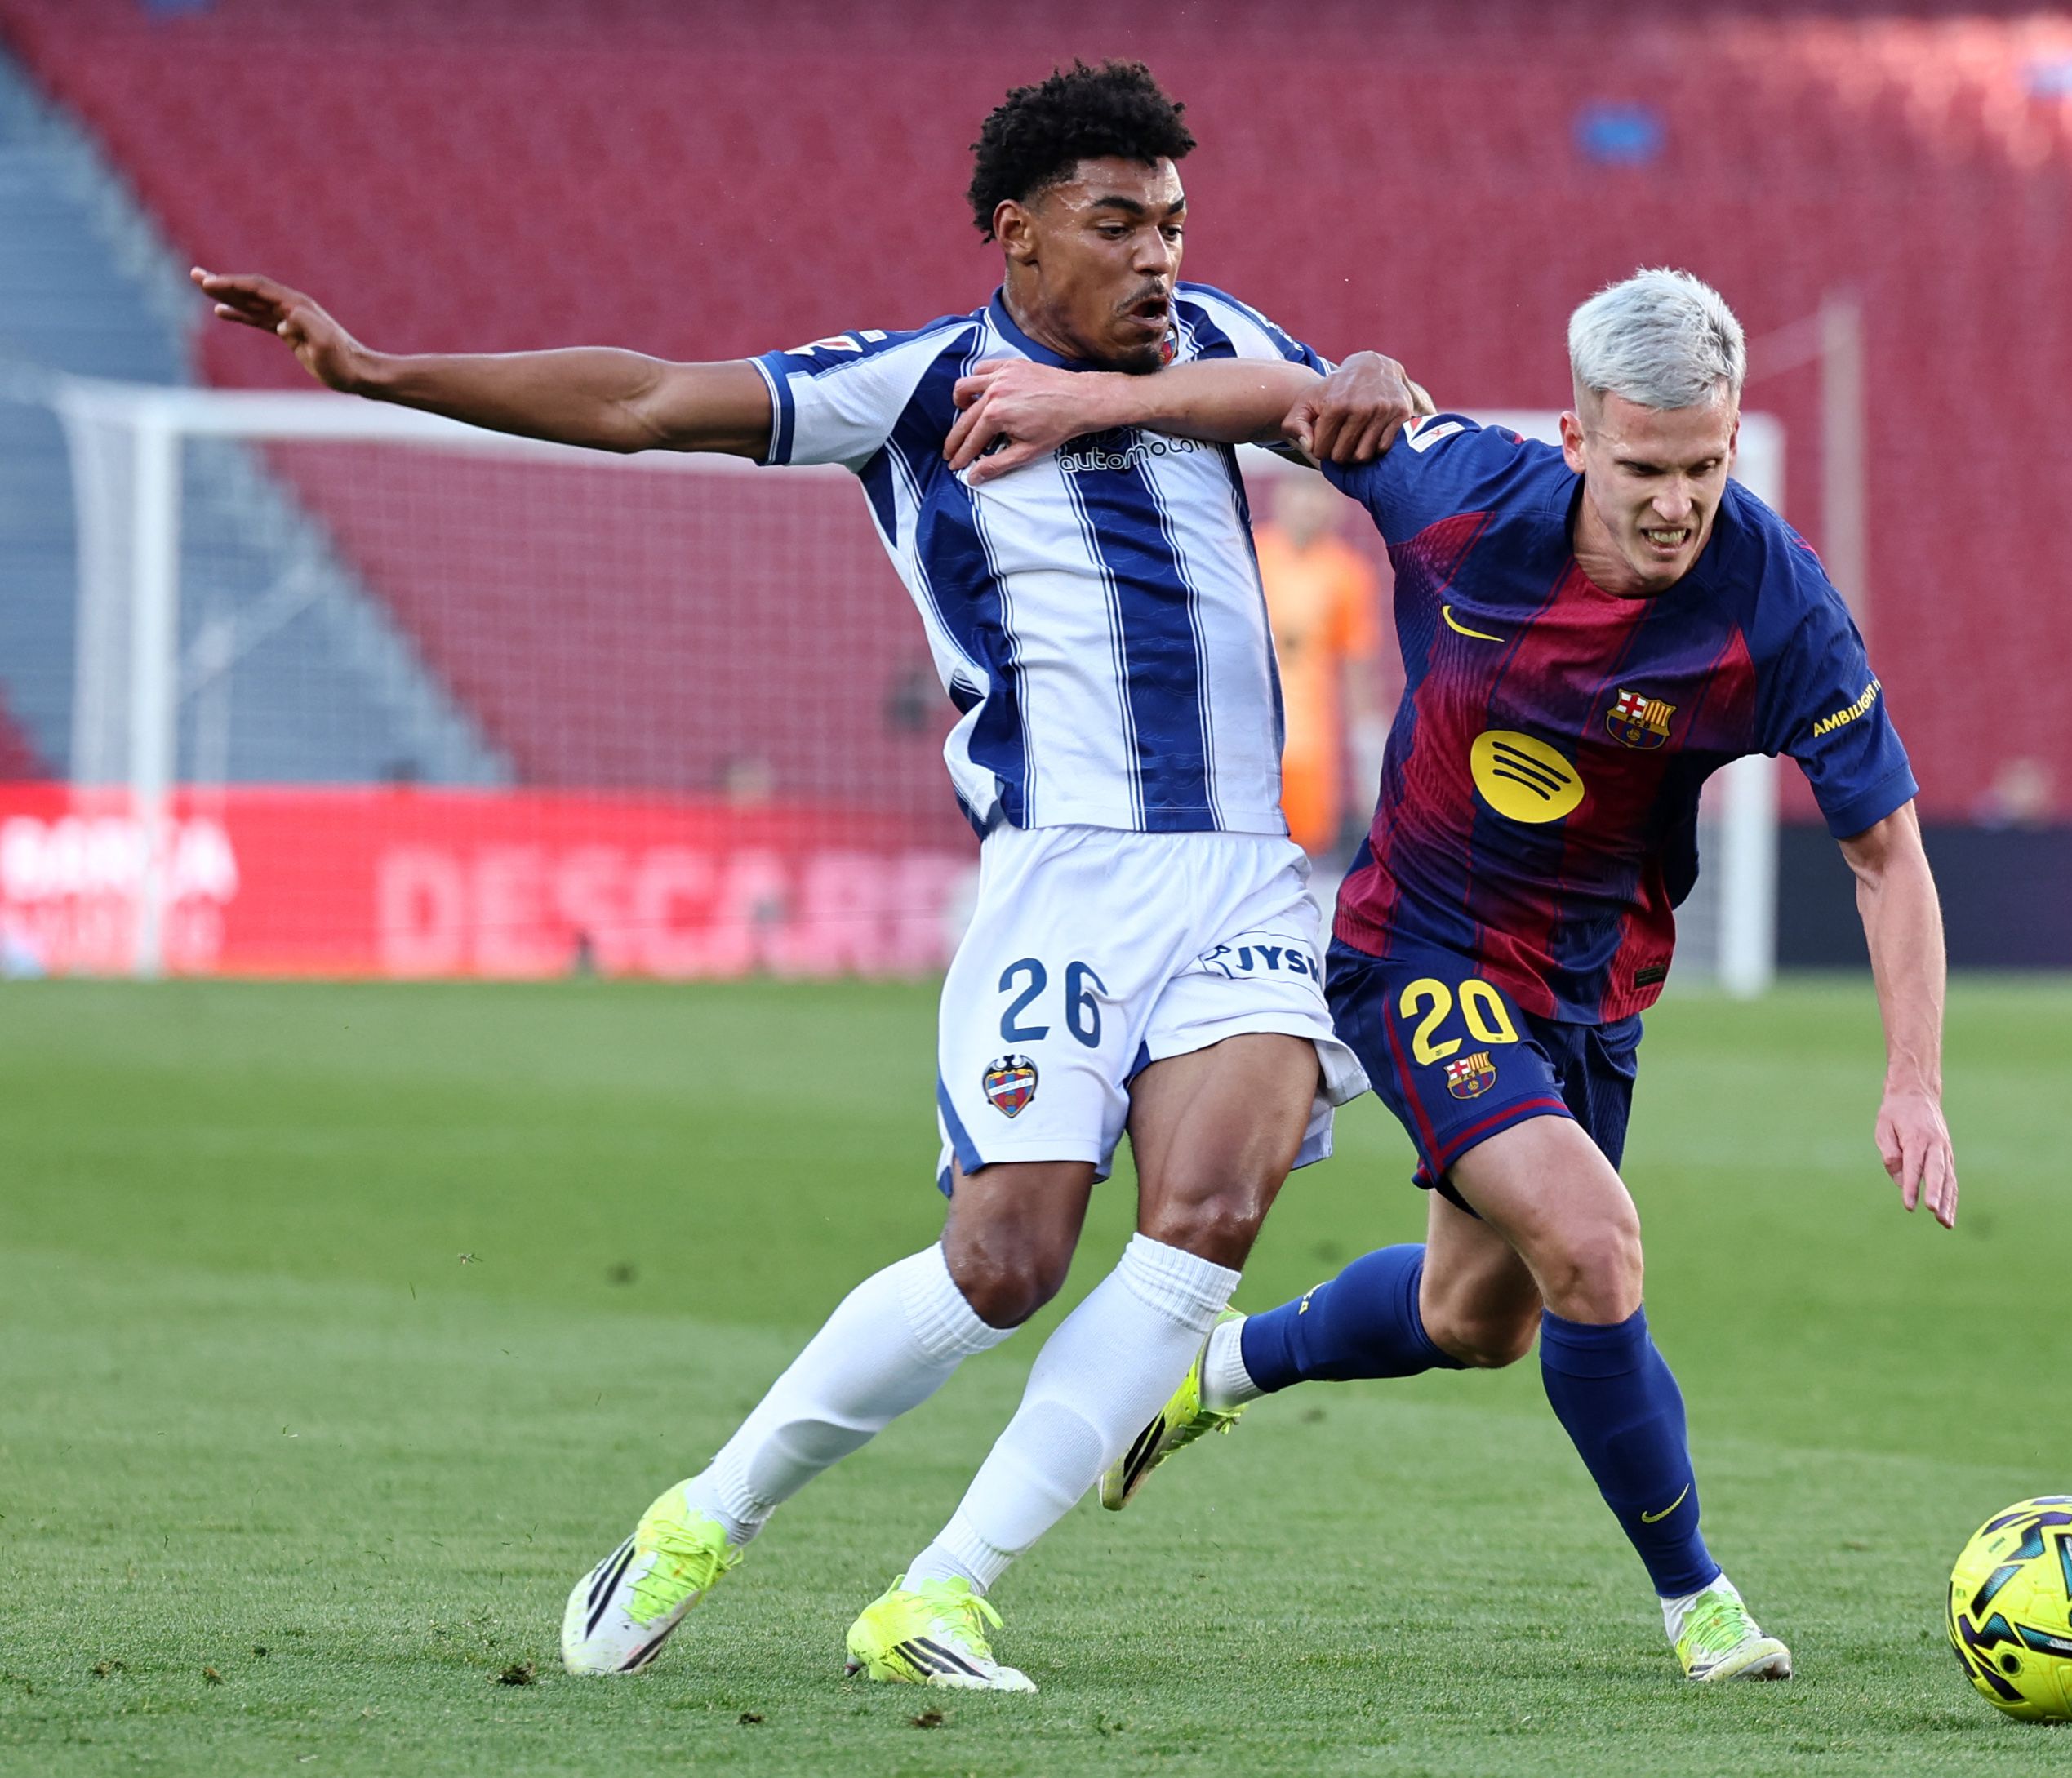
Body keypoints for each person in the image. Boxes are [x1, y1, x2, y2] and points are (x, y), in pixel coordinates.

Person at [192, 60, 1421, 1691]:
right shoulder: (912, 388)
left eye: (1174, 225)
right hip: (1063, 881)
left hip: (1250, 882)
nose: (1158, 259)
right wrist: (381, 371)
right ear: (1018, 235)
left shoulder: (1224, 346)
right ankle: (709, 1514)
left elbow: (1352, 408)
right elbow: (644, 402)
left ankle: (942, 1596)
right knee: (1007, 1263)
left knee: (1208, 1216)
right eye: (1116, 224)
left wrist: (1377, 374)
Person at [1083, 269, 1960, 1682]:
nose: (1678, 501)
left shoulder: (1781, 608)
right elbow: (1286, 394)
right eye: (1644, 469)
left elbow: (1887, 856)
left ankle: (1224, 1367)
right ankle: (1701, 1600)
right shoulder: (1467, 499)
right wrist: (1086, 396)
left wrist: (1912, 1078)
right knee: (1596, 1242)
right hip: (1416, 946)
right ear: (1574, 436)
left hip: (1593, 986)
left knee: (1475, 1319)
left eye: (1705, 466)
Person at [1253, 473, 1383, 861]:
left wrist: (1369, 758)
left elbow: (1358, 669)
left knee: (1303, 858)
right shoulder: (1249, 554)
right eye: (1299, 491)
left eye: (1319, 495)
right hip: (1249, 740)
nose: (1308, 505)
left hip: (1311, 747)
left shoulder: (1347, 573)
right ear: (1280, 495)